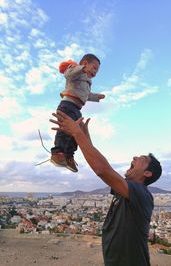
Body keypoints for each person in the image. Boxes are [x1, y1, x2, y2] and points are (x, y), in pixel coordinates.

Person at [50, 110, 162, 266]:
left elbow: (102, 169)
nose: (134, 158)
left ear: (148, 173)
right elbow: (100, 163)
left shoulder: (141, 194)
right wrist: (84, 135)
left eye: (141, 159)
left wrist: (77, 133)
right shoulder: (125, 192)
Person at [51, 54, 105, 172]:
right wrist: (81, 69)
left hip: (77, 109)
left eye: (97, 70)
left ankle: (69, 156)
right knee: (64, 131)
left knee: (76, 134)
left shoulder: (87, 82)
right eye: (94, 68)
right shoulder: (75, 71)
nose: (95, 72)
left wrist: (96, 97)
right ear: (85, 64)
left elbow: (85, 95)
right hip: (67, 106)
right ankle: (57, 153)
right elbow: (67, 75)